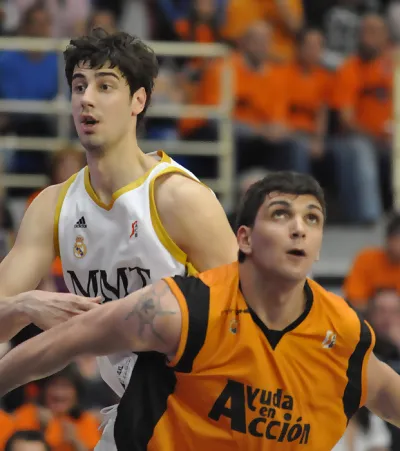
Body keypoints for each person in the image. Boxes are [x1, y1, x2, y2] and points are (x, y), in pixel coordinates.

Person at [1, 171, 400, 450]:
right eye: (281, 214)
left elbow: (384, 390)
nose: (299, 228)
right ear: (244, 239)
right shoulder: (182, 308)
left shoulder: (340, 333)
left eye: (312, 219)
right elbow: (66, 340)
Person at [0, 28, 237, 450]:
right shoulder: (52, 206)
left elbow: (251, 318)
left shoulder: (179, 198)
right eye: (79, 86)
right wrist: (24, 305)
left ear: (138, 100)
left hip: (208, 413)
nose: (86, 98)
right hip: (136, 409)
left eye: (105, 86)